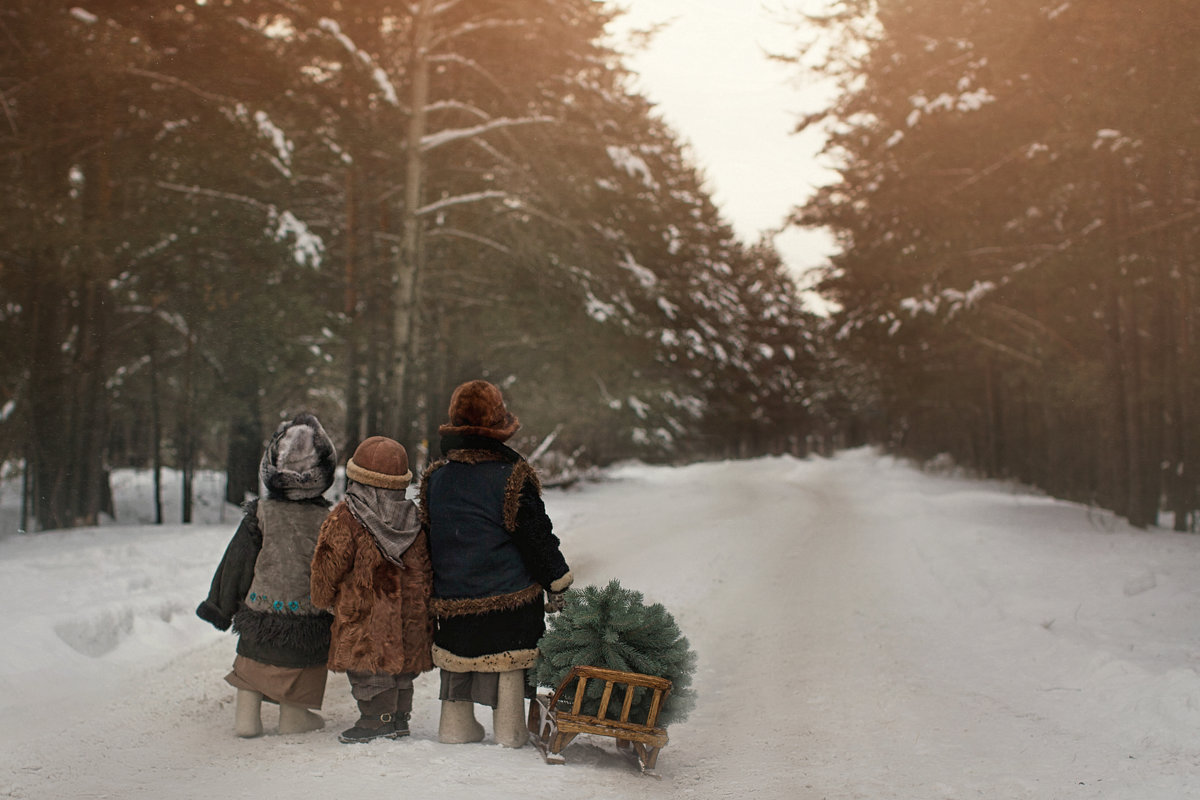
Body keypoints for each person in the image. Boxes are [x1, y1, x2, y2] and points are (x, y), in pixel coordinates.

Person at [419, 380, 573, 748]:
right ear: (499, 429)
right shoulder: (512, 478)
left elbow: (428, 541)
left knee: (457, 662)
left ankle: (454, 728)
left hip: (453, 601)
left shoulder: (436, 480)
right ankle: (509, 730)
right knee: (509, 665)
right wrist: (557, 580)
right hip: (509, 602)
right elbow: (536, 537)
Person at [196, 412, 337, 737]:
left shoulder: (260, 513)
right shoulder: (326, 521)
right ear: (324, 471)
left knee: (251, 665)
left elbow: (237, 562)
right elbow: (335, 570)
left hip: (260, 610)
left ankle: (246, 717)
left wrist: (220, 605)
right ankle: (293, 716)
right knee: (299, 667)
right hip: (307, 615)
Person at [310, 436, 434, 743]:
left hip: (366, 613)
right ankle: (398, 717)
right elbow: (428, 565)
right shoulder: (415, 518)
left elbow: (329, 562)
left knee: (369, 668)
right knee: (403, 666)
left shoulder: (347, 516)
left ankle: (375, 720)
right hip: (410, 615)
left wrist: (322, 597)